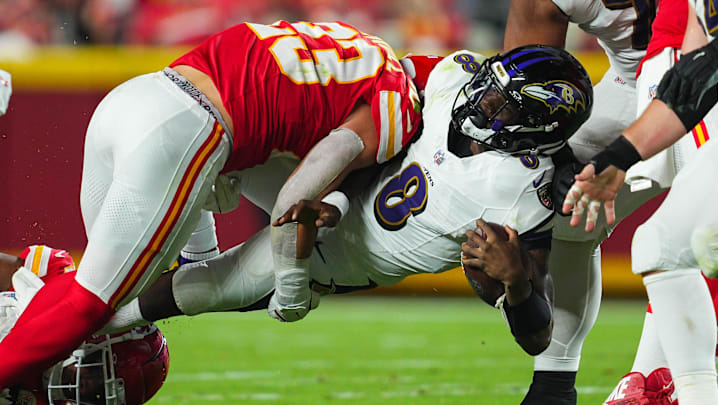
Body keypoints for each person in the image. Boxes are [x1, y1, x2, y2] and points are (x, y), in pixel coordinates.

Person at [0, 20, 423, 388]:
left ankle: (29, 291)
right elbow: (296, 200)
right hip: (187, 131)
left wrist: (199, 258)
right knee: (90, 306)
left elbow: (265, 102)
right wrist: (292, 287)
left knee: (95, 307)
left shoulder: (362, 49)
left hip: (136, 98)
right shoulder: (399, 106)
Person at [102, 45, 594, 358]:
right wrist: (336, 182)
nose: (478, 99)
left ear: (536, 127)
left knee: (199, 291)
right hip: (334, 183)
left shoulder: (526, 195)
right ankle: (155, 260)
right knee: (215, 144)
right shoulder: (454, 77)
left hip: (331, 258)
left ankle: (95, 321)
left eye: (497, 103)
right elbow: (385, 100)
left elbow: (537, 338)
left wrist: (515, 284)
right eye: (487, 87)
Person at [503, 1, 718, 403]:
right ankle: (570, 383)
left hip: (692, 67)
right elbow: (525, 88)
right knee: (568, 206)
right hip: (648, 74)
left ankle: (664, 378)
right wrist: (585, 157)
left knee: (699, 237)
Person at [0, 246, 169, 405]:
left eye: (100, 395)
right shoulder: (51, 275)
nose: (88, 389)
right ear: (97, 337)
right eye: (99, 375)